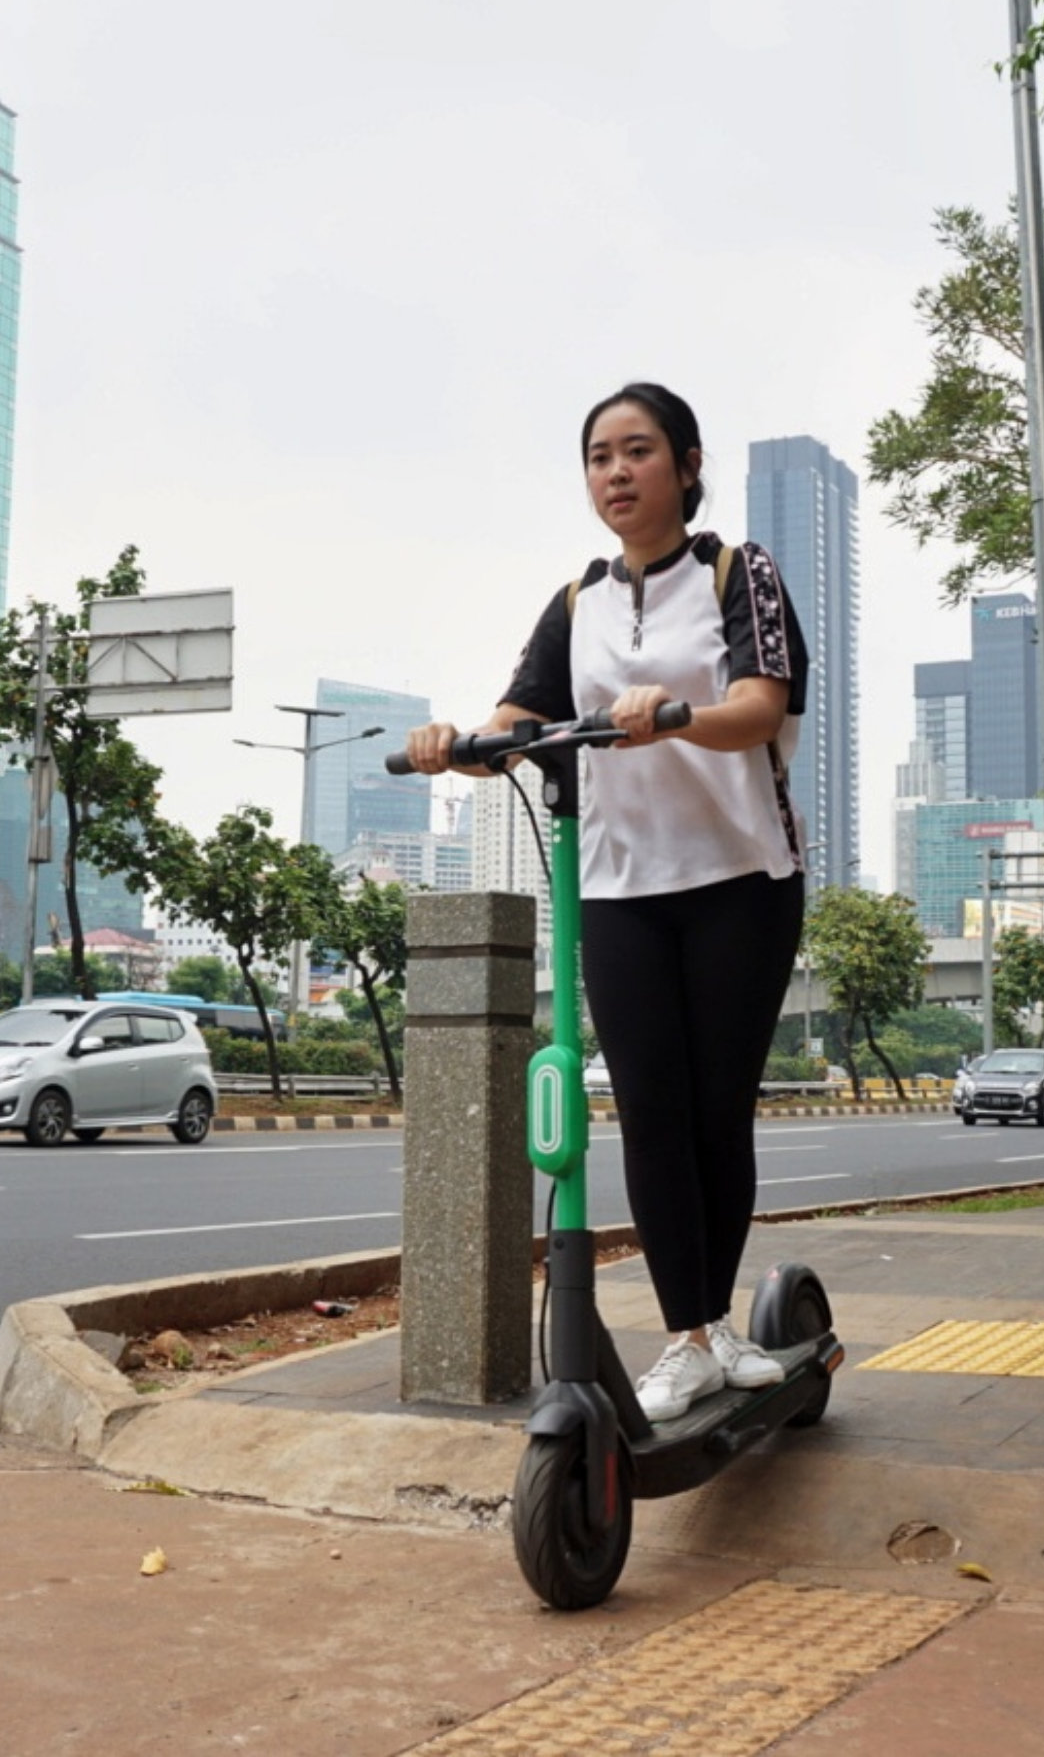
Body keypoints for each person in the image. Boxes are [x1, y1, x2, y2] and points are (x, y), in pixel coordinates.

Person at [403, 381, 810, 1423]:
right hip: (618, 888)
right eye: (597, 457)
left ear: (684, 462)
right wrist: (457, 746)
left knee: (715, 1112)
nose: (615, 472)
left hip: (737, 881)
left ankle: (717, 1324)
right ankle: (688, 1334)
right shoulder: (575, 601)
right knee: (647, 1114)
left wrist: (669, 717)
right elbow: (518, 719)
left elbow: (761, 705)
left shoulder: (735, 571)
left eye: (636, 451)